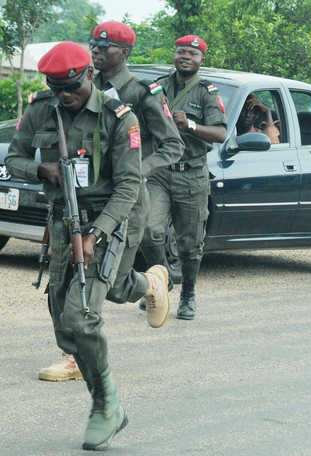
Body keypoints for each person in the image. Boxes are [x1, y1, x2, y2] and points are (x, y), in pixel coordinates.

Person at [5, 42, 164, 449]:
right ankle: (149, 284)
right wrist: (41, 168)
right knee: (66, 308)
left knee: (82, 314)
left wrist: (98, 234)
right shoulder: (43, 108)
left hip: (116, 216)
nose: (64, 96)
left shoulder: (119, 117)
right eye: (56, 87)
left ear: (88, 76)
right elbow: (15, 158)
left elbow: (129, 185)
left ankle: (106, 405)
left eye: (71, 87)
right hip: (63, 218)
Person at [37, 20, 183, 383]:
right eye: (94, 45)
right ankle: (76, 352)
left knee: (109, 283)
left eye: (107, 46)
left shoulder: (143, 93)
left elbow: (172, 145)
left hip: (126, 204)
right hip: (82, 203)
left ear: (126, 52)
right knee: (84, 279)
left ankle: (148, 285)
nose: (98, 51)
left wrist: (133, 171)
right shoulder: (81, 89)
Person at [140, 35, 227, 320]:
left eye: (192, 53)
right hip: (160, 173)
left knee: (189, 245)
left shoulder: (206, 92)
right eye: (181, 52)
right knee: (149, 231)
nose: (185, 57)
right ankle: (161, 282)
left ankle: (188, 294)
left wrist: (189, 124)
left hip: (192, 175)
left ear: (201, 59)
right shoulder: (159, 87)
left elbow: (220, 134)